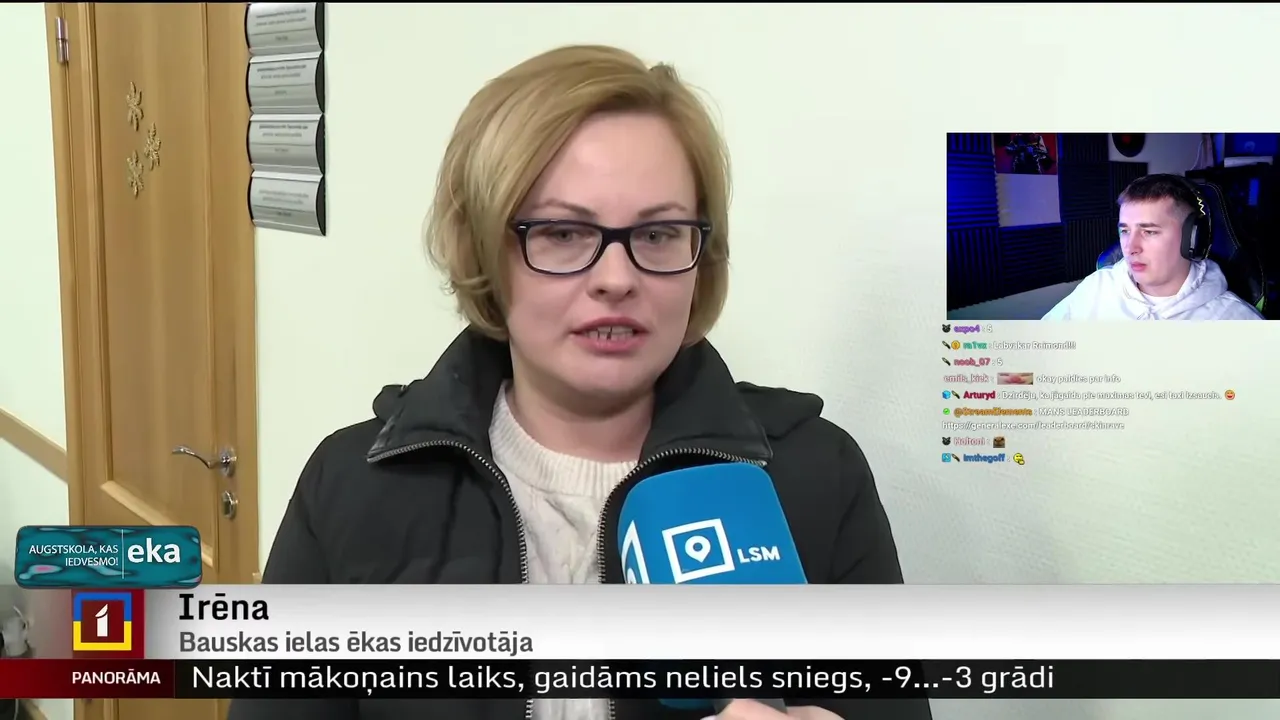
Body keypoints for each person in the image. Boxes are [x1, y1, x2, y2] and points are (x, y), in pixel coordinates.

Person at [228, 45, 929, 720]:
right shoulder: (352, 487)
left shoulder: (817, 480)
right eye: (563, 234)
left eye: (658, 235)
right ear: (484, 252)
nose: (616, 279)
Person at [1041, 174, 1264, 320]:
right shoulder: (1097, 288)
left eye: (1149, 232)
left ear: (1193, 239)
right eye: (1125, 231)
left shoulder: (1234, 319)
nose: (1130, 248)